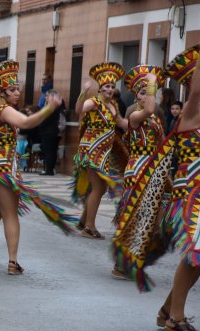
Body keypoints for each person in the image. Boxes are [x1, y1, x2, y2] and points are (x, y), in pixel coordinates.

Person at [118, 25, 200, 331]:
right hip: (192, 196)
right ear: (195, 87)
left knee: (199, 259)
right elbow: (191, 93)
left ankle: (168, 309)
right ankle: (175, 321)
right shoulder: (190, 114)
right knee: (195, 254)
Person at [0, 60, 75, 274]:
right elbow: (26, 123)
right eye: (12, 90)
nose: (17, 93)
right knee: (10, 214)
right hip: (0, 170)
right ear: (2, 91)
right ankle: (13, 262)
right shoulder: (3, 109)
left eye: (18, 89)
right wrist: (50, 107)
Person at [111, 65, 165, 280]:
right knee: (134, 215)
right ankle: (121, 263)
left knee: (150, 219)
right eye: (142, 92)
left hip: (153, 170)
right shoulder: (135, 117)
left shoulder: (156, 121)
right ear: (136, 96)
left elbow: (162, 146)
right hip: (137, 170)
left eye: (150, 90)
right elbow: (149, 108)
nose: (148, 95)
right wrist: (151, 81)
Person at [73, 62, 128, 239]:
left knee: (100, 188)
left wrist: (141, 121)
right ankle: (89, 227)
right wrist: (83, 92)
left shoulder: (113, 106)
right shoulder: (94, 102)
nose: (110, 89)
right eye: (106, 86)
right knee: (98, 188)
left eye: (112, 86)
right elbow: (79, 110)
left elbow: (121, 123)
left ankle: (84, 220)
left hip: (104, 152)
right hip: (91, 150)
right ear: (100, 88)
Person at [38, 90, 66, 176]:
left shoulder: (54, 108)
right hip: (50, 132)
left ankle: (49, 170)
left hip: (50, 132)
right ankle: (49, 169)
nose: (46, 98)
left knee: (49, 151)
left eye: (48, 96)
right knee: (50, 151)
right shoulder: (51, 107)